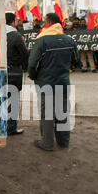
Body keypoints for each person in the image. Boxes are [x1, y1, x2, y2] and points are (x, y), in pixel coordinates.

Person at [28, 13, 78, 151]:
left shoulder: (42, 41)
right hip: (63, 82)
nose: (43, 23)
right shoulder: (69, 40)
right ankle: (64, 142)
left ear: (49, 22)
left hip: (45, 83)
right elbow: (76, 60)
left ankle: (47, 143)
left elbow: (32, 64)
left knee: (47, 114)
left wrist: (33, 77)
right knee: (63, 113)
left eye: (44, 21)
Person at [6, 12, 28, 136]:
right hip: (13, 71)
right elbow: (25, 54)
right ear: (13, 22)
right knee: (12, 100)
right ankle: (11, 128)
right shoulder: (15, 35)